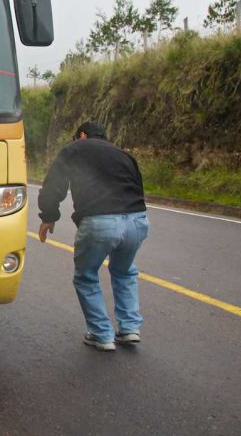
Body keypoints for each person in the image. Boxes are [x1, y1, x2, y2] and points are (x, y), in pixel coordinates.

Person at [38, 121, 150, 351]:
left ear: (81, 135)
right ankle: (129, 329)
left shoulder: (74, 150)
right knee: (125, 271)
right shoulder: (123, 154)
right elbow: (138, 188)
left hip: (101, 221)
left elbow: (54, 185)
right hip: (137, 219)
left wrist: (49, 216)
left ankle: (102, 334)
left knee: (86, 276)